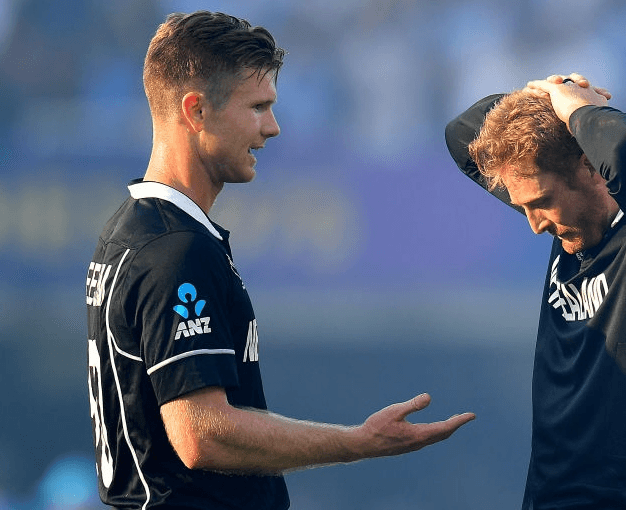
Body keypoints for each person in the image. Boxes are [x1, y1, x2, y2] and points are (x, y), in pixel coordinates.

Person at [85, 11, 474, 509]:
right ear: (196, 110)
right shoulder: (175, 251)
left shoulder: (133, 230)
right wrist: (358, 442)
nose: (272, 127)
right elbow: (202, 434)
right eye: (258, 107)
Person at [444, 73, 626, 509]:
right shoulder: (572, 219)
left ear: (589, 165)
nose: (534, 225)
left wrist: (578, 109)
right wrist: (540, 97)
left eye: (539, 203)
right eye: (523, 206)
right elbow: (461, 137)